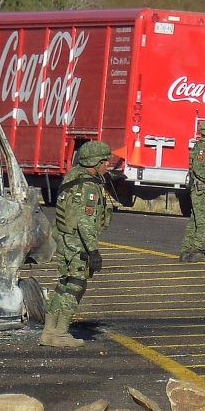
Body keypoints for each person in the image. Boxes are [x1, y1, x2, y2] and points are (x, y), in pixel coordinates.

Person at [42, 141, 114, 348]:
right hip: (77, 244)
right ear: (95, 162)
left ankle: (49, 332)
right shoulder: (88, 187)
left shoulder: (72, 177)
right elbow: (86, 222)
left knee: (63, 284)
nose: (106, 166)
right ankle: (61, 333)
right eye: (104, 162)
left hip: (65, 240)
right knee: (74, 286)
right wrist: (93, 251)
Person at [179, 116, 205, 261]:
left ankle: (187, 250)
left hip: (200, 189)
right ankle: (195, 250)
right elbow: (199, 168)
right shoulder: (204, 147)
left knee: (195, 221)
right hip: (202, 190)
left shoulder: (204, 146)